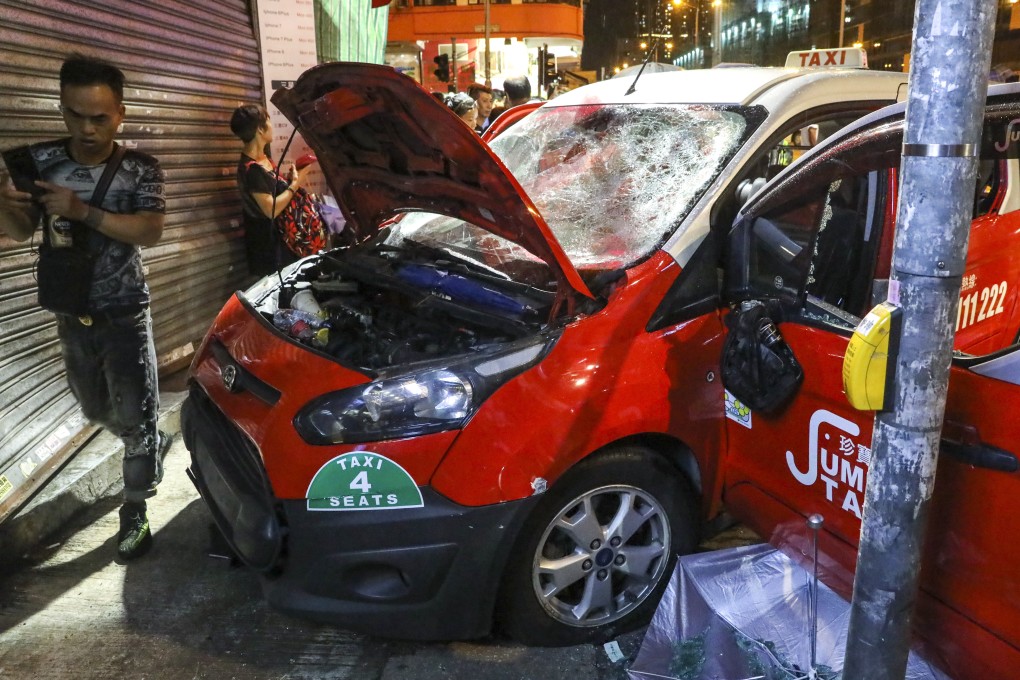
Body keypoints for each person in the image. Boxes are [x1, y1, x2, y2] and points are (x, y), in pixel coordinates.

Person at [0, 54, 169, 561]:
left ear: (120, 113)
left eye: (100, 117)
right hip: (71, 311)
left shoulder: (140, 168)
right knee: (95, 409)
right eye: (76, 115)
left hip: (124, 311)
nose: (88, 128)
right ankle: (147, 438)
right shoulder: (39, 161)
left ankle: (135, 511)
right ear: (62, 109)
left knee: (135, 423)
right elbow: (20, 231)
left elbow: (150, 231)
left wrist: (83, 211)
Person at [229, 103, 316, 276]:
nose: (272, 125)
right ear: (260, 130)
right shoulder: (251, 169)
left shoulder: (263, 158)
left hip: (283, 242)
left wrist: (291, 179)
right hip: (268, 248)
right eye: (268, 120)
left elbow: (274, 191)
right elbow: (271, 209)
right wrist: (296, 184)